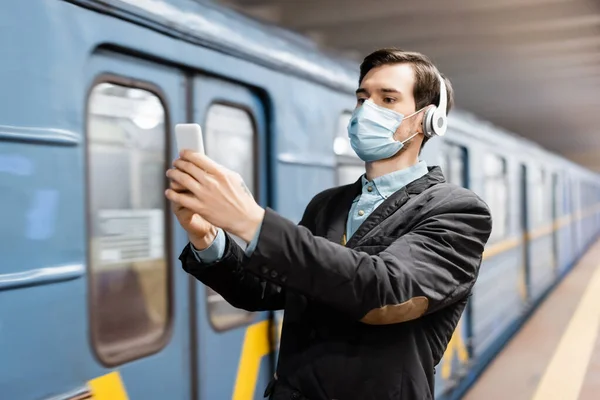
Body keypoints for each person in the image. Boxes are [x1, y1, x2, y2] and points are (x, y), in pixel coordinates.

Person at [165, 48, 492, 400]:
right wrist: (208, 238)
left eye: (388, 98)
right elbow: (267, 288)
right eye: (362, 97)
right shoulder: (328, 204)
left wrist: (252, 220)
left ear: (427, 120)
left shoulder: (457, 211)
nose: (367, 109)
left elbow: (384, 293)